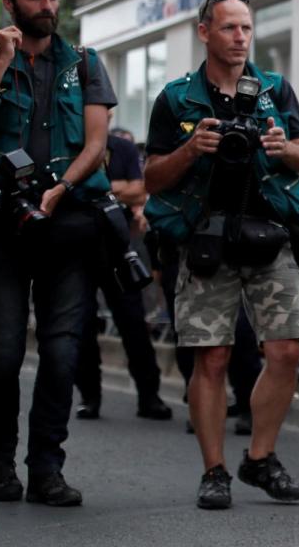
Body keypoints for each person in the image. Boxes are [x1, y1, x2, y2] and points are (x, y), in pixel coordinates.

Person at [0, 0, 117, 506]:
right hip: (2, 228)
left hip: (67, 224)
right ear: (10, 3)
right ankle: (0, 461)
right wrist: (1, 59)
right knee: (1, 354)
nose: (46, 5)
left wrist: (64, 188)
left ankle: (47, 466)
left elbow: (96, 142)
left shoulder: (85, 63)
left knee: (62, 353)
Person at [143, 0, 299, 510]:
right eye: (228, 28)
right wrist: (190, 149)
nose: (240, 38)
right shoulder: (176, 99)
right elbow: (150, 177)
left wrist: (285, 148)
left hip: (270, 231)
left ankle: (260, 458)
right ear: (204, 33)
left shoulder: (275, 89)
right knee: (212, 358)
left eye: (246, 28)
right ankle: (214, 469)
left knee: (287, 349)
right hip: (206, 239)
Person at [74, 127, 171, 422]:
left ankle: (149, 395)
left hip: (118, 247)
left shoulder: (123, 149)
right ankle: (90, 397)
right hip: (79, 245)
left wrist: (98, 187)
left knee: (133, 323)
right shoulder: (71, 144)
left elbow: (140, 189)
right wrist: (117, 188)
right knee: (82, 325)